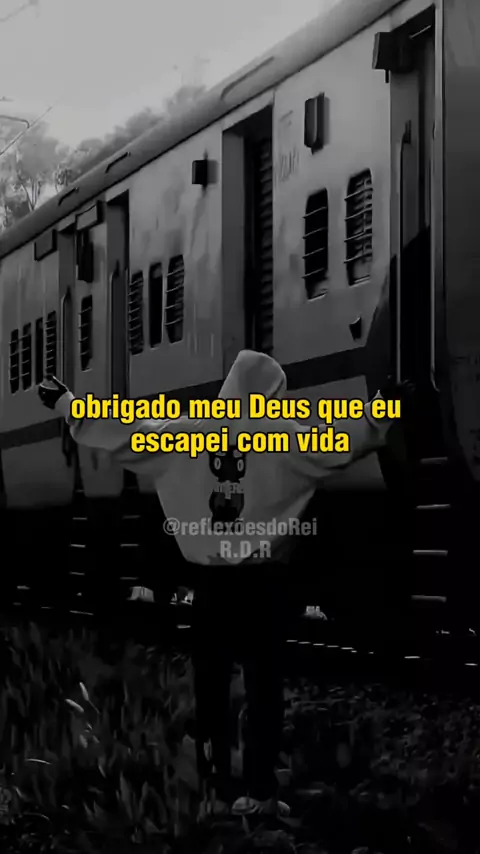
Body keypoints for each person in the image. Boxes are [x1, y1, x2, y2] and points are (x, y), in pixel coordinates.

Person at [38, 351, 413, 818]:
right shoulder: (286, 436)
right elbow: (347, 440)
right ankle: (260, 791)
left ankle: (213, 787)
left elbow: (120, 433)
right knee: (264, 687)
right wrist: (384, 406)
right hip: (264, 584)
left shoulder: (186, 433)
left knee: (210, 686)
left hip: (211, 583)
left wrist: (66, 402)